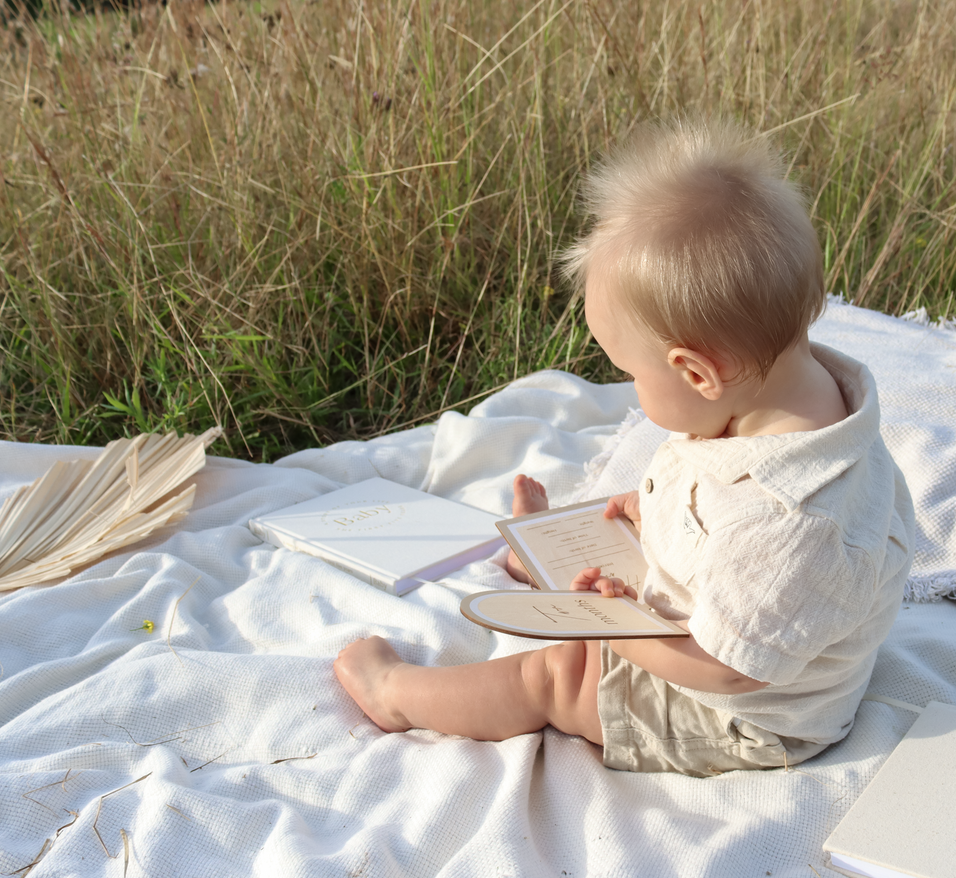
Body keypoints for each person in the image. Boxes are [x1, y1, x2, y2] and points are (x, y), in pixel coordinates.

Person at [334, 118, 913, 777]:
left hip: (739, 715)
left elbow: (727, 674)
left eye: (630, 372)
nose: (627, 386)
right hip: (722, 620)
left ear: (697, 373)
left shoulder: (791, 522)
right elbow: (716, 502)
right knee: (608, 564)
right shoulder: (785, 404)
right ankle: (554, 559)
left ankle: (397, 698)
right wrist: (648, 516)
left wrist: (604, 626)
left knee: (556, 673)